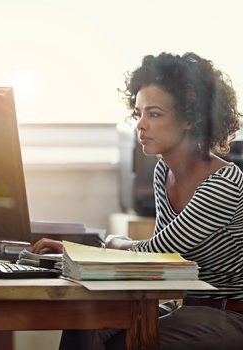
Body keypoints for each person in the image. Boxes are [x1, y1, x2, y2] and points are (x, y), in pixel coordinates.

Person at [31, 52, 243, 350]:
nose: (140, 125)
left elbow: (156, 254)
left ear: (190, 118)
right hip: (188, 309)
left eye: (154, 114)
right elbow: (153, 263)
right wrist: (84, 252)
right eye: (139, 113)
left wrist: (106, 246)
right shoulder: (163, 171)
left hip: (230, 317)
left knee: (127, 343)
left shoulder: (223, 184)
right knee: (85, 322)